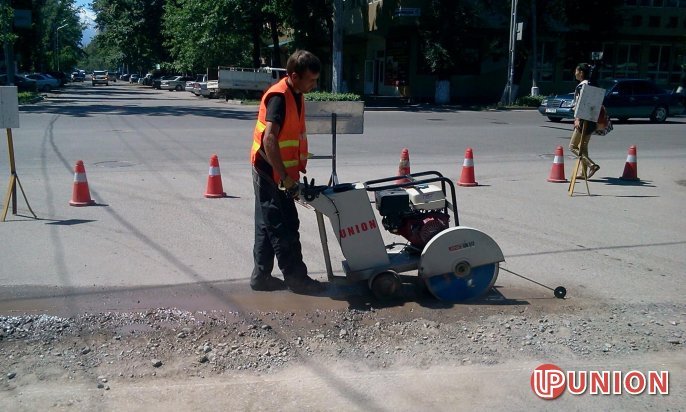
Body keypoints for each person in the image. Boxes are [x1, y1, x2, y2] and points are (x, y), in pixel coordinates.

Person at [249, 50, 324, 294]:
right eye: (311, 80)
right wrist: (284, 178)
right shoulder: (280, 97)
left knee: (266, 223)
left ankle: (261, 278)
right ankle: (297, 279)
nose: (314, 84)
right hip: (271, 171)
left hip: (273, 170)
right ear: (294, 75)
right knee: (284, 224)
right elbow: (269, 139)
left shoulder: (296, 93)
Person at [569, 63, 600, 179]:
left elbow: (580, 104)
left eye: (576, 70)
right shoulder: (593, 85)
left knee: (572, 146)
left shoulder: (582, 86)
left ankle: (591, 165)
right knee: (583, 146)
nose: (575, 73)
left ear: (581, 72)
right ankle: (583, 173)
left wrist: (577, 119)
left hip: (582, 119)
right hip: (592, 119)